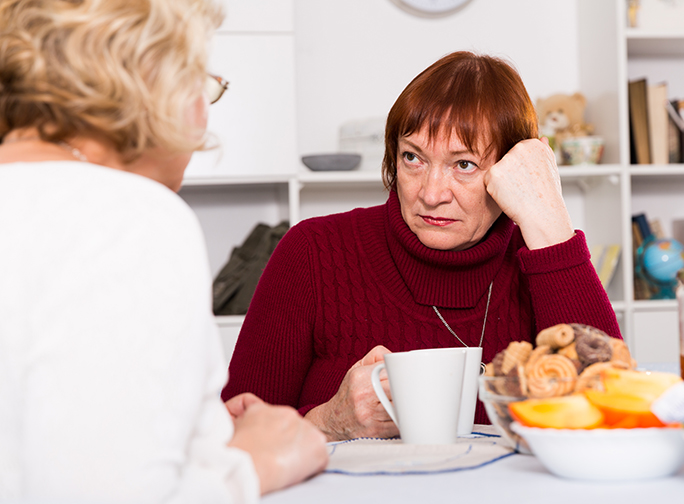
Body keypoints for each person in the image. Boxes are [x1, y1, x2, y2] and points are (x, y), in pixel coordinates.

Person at [0, 0, 327, 501]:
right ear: (151, 84)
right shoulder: (128, 217)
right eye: (201, 81)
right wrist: (253, 463)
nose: (203, 115)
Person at [222, 51, 621, 442]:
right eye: (413, 158)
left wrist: (549, 223)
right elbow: (232, 439)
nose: (431, 194)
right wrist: (326, 422)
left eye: (463, 164)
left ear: (509, 170)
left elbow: (612, 413)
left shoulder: (540, 255)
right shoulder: (311, 252)